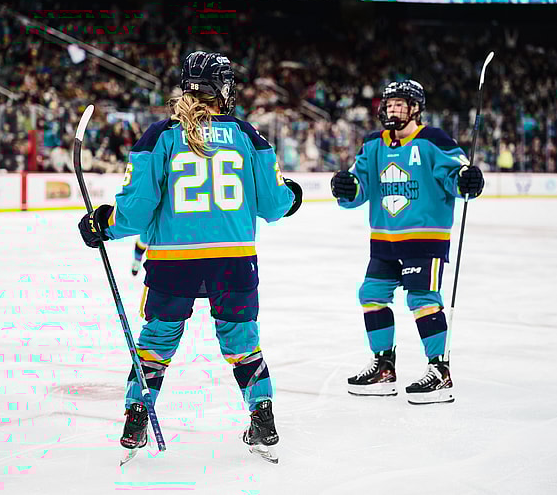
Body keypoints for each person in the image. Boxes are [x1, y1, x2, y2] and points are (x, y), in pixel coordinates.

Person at [78, 51, 302, 462]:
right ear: (224, 90)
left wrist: (103, 223)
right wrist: (292, 194)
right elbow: (273, 205)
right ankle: (262, 415)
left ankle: (137, 415)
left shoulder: (159, 136)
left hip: (173, 261)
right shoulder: (249, 135)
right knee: (241, 340)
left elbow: (137, 211)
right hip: (233, 259)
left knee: (158, 339)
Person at [330, 80, 484, 405]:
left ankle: (439, 371)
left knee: (422, 299)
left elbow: (455, 177)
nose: (393, 110)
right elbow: (361, 185)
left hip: (424, 239)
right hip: (384, 240)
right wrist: (347, 188)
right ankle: (384, 367)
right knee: (371, 294)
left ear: (415, 108)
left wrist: (466, 180)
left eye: (400, 104)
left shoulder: (433, 141)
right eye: (389, 104)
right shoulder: (373, 145)